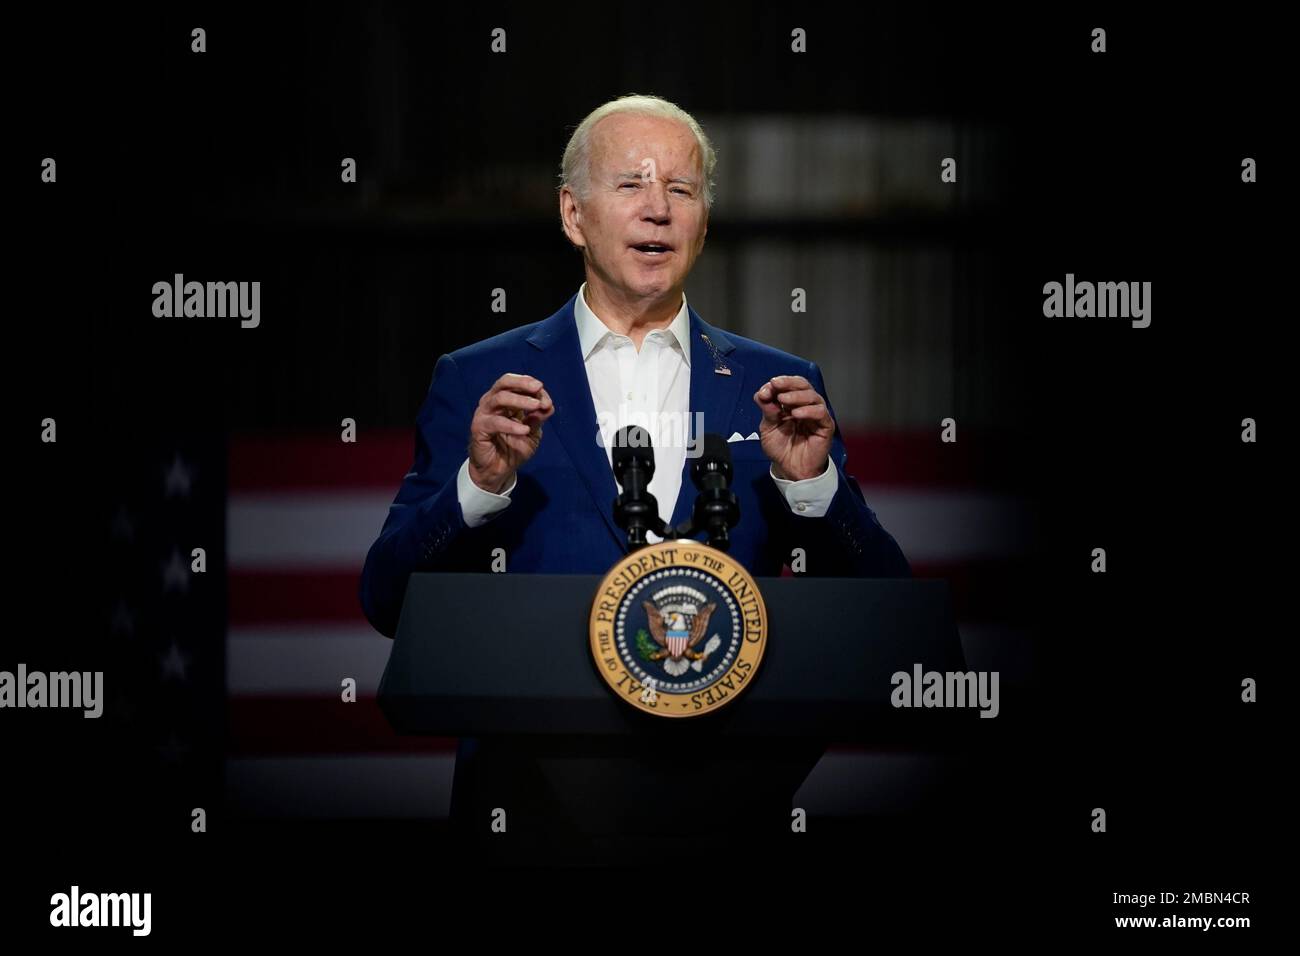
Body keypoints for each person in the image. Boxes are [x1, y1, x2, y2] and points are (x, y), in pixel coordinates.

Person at [358, 94, 911, 857]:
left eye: (680, 191)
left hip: (722, 809)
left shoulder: (780, 386)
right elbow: (386, 597)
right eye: (631, 185)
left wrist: (813, 490)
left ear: (703, 223)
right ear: (572, 214)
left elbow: (888, 610)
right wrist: (477, 488)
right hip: (527, 818)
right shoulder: (478, 380)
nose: (658, 210)